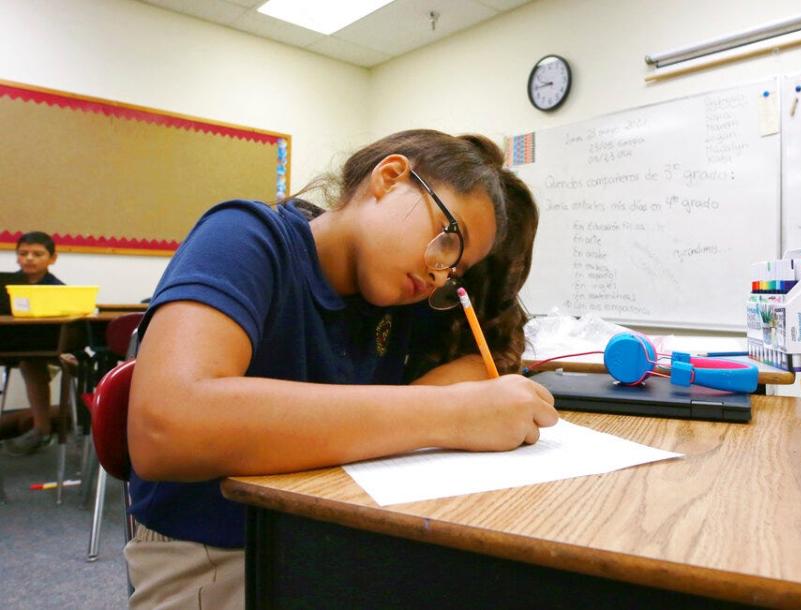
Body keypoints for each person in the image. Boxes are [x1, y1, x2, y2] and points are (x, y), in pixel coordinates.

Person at [125, 129, 557, 609]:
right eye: (447, 240)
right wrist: (449, 413)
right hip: (218, 549)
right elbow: (166, 427)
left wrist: (471, 403)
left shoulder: (398, 295)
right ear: (390, 177)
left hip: (333, 534)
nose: (440, 273)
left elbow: (485, 355)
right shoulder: (245, 235)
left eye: (456, 270)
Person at [3, 231, 65, 456]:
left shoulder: (59, 289)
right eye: (23, 253)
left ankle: (42, 429)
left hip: (45, 349)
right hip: (9, 346)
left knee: (31, 365)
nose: (29, 258)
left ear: (52, 258)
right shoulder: (5, 284)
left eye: (37, 254)